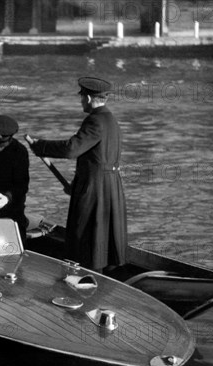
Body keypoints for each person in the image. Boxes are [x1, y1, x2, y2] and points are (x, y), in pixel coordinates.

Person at [28, 77, 127, 273]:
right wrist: (75, 184)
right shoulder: (111, 120)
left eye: (82, 97)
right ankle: (97, 274)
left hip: (95, 189)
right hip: (107, 186)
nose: (81, 101)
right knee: (99, 235)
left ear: (89, 98)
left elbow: (71, 149)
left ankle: (85, 277)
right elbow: (95, 159)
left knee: (85, 235)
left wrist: (40, 146)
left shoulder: (95, 120)